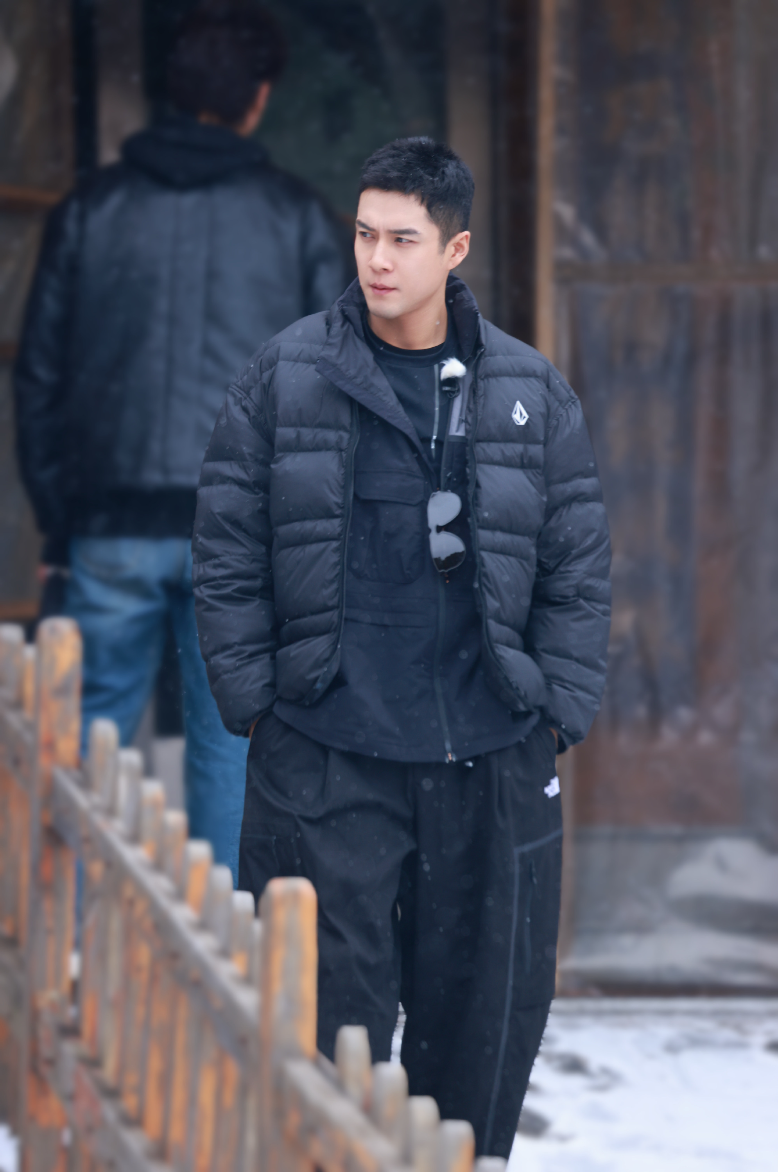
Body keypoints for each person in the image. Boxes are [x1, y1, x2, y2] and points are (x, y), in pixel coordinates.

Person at [193, 137, 611, 1154]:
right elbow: (226, 544)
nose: (377, 259)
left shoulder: (527, 388)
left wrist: (555, 710)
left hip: (486, 752)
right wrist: (256, 701)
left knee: (478, 1032)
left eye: (403, 239)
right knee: (314, 1034)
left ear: (455, 248)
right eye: (365, 234)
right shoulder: (287, 374)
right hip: (326, 751)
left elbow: (577, 564)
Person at [13, 0, 347, 884]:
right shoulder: (296, 217)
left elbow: (38, 378)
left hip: (109, 527)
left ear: (171, 88)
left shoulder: (90, 209)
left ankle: (68, 946)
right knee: (232, 752)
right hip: (241, 538)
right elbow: (334, 400)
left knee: (79, 750)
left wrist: (59, 519)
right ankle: (221, 951)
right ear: (259, 97)